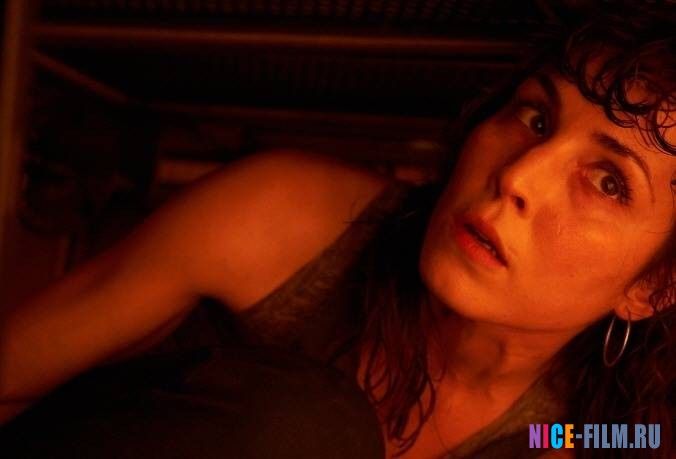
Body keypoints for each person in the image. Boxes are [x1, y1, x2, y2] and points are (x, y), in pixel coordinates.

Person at [1, 3, 674, 458]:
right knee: (313, 424)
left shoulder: (577, 429)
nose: (519, 176)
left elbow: (615, 441)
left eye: (608, 182)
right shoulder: (283, 216)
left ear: (651, 287)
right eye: (534, 118)